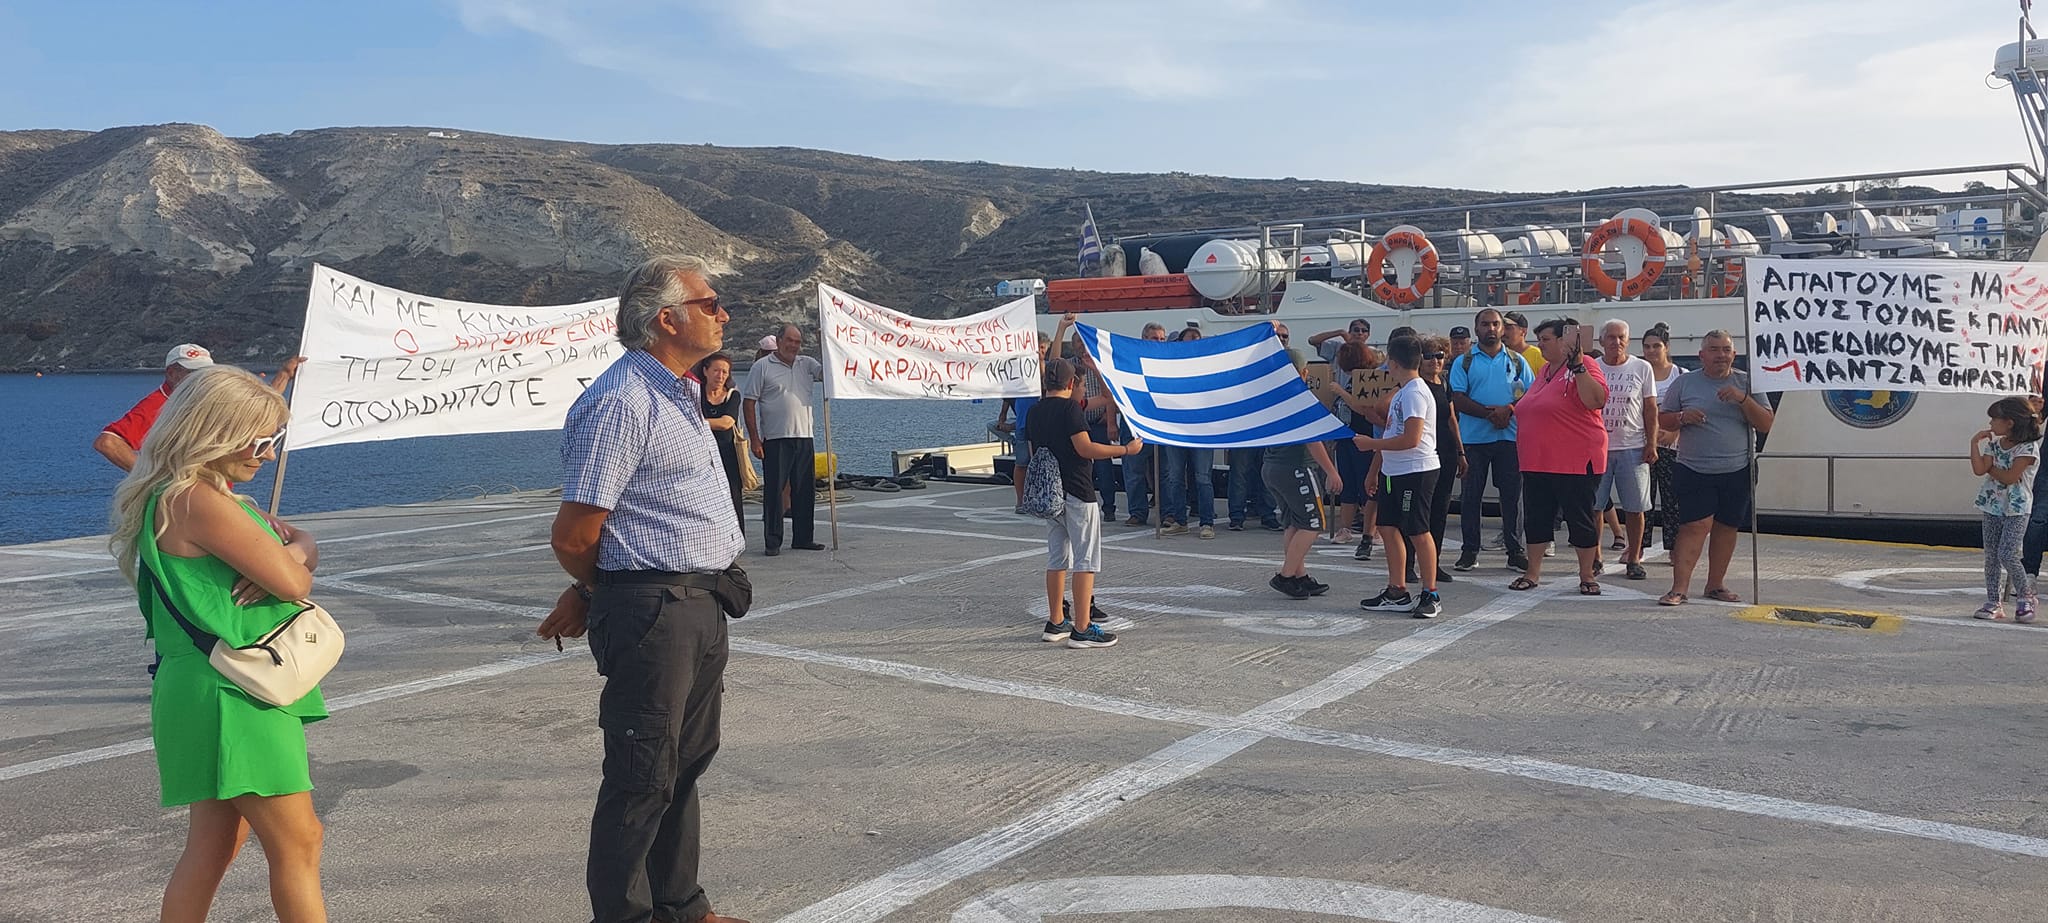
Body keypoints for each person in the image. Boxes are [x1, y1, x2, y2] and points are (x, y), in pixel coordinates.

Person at [537, 255, 751, 923]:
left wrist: (593, 592)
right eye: (710, 302)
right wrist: (605, 591)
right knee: (641, 775)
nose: (723, 314)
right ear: (667, 319)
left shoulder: (677, 392)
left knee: (683, 766)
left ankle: (681, 906)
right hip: (657, 611)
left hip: (699, 601)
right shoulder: (622, 402)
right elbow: (574, 534)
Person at [108, 365, 330, 923]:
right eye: (259, 441)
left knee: (213, 846)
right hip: (232, 688)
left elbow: (296, 547)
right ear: (215, 433)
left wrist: (297, 547)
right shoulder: (199, 502)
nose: (269, 454)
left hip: (204, 683)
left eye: (274, 440)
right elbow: (295, 580)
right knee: (299, 842)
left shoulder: (184, 496)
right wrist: (297, 553)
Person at [1030, 358, 1144, 647]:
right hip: (1077, 490)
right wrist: (1125, 450)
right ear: (1071, 383)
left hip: (1051, 492)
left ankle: (1056, 620)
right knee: (1085, 559)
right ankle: (1082, 627)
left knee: (1057, 558)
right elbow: (1085, 448)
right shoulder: (1070, 409)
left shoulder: (1035, 410)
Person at [1657, 330, 1775, 606]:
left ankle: (1715, 585)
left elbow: (1766, 424)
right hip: (1694, 467)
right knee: (1695, 526)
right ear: (1701, 355)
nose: (1720, 355)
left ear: (1734, 354)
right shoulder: (1685, 383)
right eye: (1714, 349)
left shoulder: (1747, 383)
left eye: (1725, 350)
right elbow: (1663, 419)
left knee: (1727, 527)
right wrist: (1683, 417)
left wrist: (1742, 399)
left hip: (1738, 468)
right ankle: (1679, 588)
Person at [1510, 319, 1611, 594]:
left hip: (1575, 460)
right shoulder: (1545, 370)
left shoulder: (1585, 365)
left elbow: (1596, 400)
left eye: (1545, 339)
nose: (1540, 345)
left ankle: (1587, 575)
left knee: (1579, 518)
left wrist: (1578, 366)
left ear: (1563, 341)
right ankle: (1532, 572)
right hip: (1537, 460)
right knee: (1536, 518)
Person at [96, 345, 303, 472]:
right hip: (188, 505)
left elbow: (257, 412)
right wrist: (155, 481)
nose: (202, 378)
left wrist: (284, 375)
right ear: (172, 373)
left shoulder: (208, 398)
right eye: (193, 373)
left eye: (206, 373)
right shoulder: (157, 404)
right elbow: (108, 443)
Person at [1353, 335, 1443, 617]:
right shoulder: (1402, 392)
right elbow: (1393, 433)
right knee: (1387, 526)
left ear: (1393, 363)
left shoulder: (1415, 392)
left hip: (1415, 470)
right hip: (1394, 471)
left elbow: (1411, 439)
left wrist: (1371, 444)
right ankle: (1396, 590)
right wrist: (1375, 470)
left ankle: (1431, 593)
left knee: (1417, 530)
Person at [1449, 309, 1535, 573]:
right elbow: (1458, 399)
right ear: (1477, 329)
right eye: (1485, 324)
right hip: (1474, 441)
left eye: (1496, 324)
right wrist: (1491, 414)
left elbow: (1530, 395)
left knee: (1512, 498)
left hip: (1509, 439)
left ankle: (1515, 551)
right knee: (1470, 497)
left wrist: (1509, 410)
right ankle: (1469, 551)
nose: (1491, 328)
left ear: (1503, 328)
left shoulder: (1518, 361)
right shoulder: (1463, 362)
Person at [743, 323, 825, 556]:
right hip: (776, 438)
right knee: (774, 491)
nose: (793, 346)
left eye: (797, 342)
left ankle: (803, 538)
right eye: (790, 340)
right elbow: (749, 402)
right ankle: (773, 540)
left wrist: (824, 342)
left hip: (804, 436)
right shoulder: (762, 366)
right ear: (779, 341)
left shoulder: (807, 364)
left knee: (804, 490)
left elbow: (829, 374)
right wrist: (754, 439)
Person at [1267, 348, 1343, 598]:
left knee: (1294, 523)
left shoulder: (1271, 396)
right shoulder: (1299, 398)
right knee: (1313, 524)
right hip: (1296, 467)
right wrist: (1331, 470)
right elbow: (1312, 440)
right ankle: (1286, 576)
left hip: (1273, 465)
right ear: (1303, 372)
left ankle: (1299, 575)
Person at [1593, 319, 1659, 580]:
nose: (1616, 342)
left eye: (1621, 337)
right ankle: (1595, 557)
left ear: (1628, 341)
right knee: (1595, 506)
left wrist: (1651, 443)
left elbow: (1650, 408)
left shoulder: (1642, 367)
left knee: (1635, 507)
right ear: (1602, 341)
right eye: (1611, 337)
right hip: (1598, 448)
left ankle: (1633, 558)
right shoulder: (1593, 367)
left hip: (1633, 447)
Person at [1971, 397, 2042, 621]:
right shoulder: (1994, 445)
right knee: (1991, 556)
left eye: (1994, 419)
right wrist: (1974, 444)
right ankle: (1993, 601)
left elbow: (2010, 477)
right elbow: (1979, 469)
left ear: (2009, 422)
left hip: (2017, 508)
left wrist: (1991, 468)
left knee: (2007, 554)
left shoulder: (2028, 448)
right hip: (1992, 505)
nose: (1990, 423)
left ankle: (2026, 596)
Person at [1418, 336, 1464, 583]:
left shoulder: (1444, 383)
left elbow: (1451, 418)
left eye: (1439, 356)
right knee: (1419, 511)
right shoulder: (1414, 385)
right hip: (1423, 454)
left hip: (1445, 453)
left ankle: (1433, 563)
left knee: (1440, 510)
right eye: (1428, 356)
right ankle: (1408, 563)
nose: (1434, 361)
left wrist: (1461, 452)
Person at [1641, 323, 1684, 552]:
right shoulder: (1639, 372)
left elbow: (1689, 409)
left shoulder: (1681, 375)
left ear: (1666, 347)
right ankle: (1639, 546)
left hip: (1672, 446)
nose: (1651, 351)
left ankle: (1674, 549)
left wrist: (1675, 432)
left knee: (1672, 499)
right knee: (1642, 498)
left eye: (1656, 346)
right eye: (1647, 346)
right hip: (1643, 444)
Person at [1122, 322, 1167, 526]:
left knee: (1166, 472)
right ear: (1144, 339)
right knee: (1134, 471)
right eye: (1154, 338)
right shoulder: (1131, 361)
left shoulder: (1170, 363)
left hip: (1163, 423)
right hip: (1134, 423)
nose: (1159, 342)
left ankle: (1167, 513)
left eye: (1162, 339)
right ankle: (1138, 512)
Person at [697, 352, 746, 536]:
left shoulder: (733, 396)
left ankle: (738, 538)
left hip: (727, 455)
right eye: (716, 371)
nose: (720, 376)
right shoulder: (695, 394)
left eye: (725, 372)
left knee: (733, 498)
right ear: (705, 371)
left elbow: (727, 422)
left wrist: (697, 422)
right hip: (702, 455)